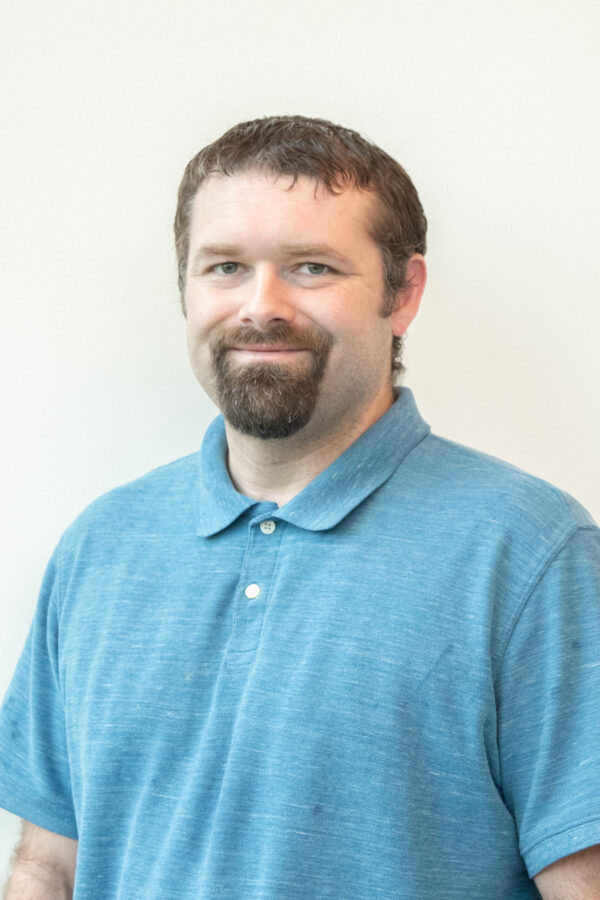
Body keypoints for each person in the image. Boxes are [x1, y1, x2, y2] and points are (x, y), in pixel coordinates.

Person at [0, 115, 599, 900]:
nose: (262, 305)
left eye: (311, 267)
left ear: (402, 293)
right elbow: (48, 866)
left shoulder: (531, 552)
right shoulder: (102, 547)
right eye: (225, 267)